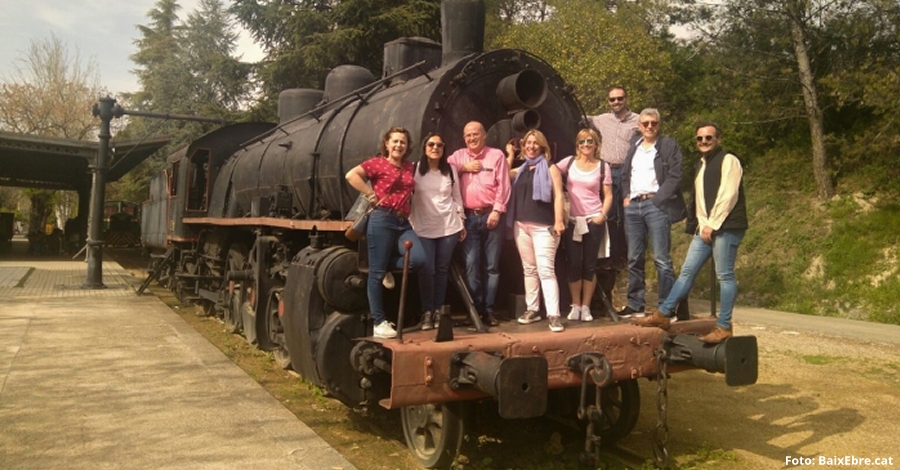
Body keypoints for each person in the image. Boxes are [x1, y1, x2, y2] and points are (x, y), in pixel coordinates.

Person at [634, 123, 748, 343]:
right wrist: (703, 224)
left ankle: (724, 326)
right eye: (700, 138)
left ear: (718, 139)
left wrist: (713, 224)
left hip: (726, 227)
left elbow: (729, 194)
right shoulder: (701, 164)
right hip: (705, 227)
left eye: (708, 137)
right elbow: (701, 200)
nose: (704, 141)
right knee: (687, 272)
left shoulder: (729, 160)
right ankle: (663, 314)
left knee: (724, 275)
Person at [345, 126, 425, 339]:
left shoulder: (409, 166)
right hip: (382, 218)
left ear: (407, 146)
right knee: (376, 273)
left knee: (418, 259)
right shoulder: (377, 163)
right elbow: (351, 175)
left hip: (403, 221)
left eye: (403, 142)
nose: (399, 145)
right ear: (387, 144)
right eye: (395, 141)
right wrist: (370, 194)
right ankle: (379, 322)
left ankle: (386, 264)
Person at [620, 108, 686, 318]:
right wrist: (626, 196)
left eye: (654, 123)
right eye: (646, 123)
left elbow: (675, 175)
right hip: (633, 206)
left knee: (661, 259)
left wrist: (659, 199)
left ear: (659, 124)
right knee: (634, 258)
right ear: (639, 126)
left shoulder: (668, 145)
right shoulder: (634, 146)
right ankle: (635, 304)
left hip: (655, 205)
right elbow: (625, 174)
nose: (650, 127)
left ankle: (666, 308)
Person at [448, 121, 511, 327]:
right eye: (468, 135)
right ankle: (474, 310)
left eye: (475, 134)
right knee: (472, 265)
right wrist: (463, 168)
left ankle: (489, 310)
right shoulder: (458, 156)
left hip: (491, 215)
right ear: (464, 138)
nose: (472, 138)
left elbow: (504, 185)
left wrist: (497, 210)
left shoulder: (497, 155)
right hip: (468, 217)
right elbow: (442, 168)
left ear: (484, 135)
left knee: (492, 266)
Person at [505, 130, 566, 332]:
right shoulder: (521, 169)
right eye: (528, 143)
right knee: (529, 269)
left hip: (543, 226)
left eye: (535, 143)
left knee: (546, 270)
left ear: (542, 146)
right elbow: (502, 174)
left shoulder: (550, 167)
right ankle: (532, 309)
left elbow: (558, 195)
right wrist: (510, 155)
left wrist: (559, 221)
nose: (531, 146)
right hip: (521, 225)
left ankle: (554, 315)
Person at [586, 87, 640, 312]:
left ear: (626, 99)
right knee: (608, 214)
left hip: (627, 171)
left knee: (626, 215)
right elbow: (581, 117)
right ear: (608, 101)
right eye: (612, 99)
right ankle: (609, 253)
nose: (616, 102)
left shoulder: (638, 120)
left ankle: (623, 254)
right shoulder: (602, 119)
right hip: (606, 169)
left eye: (619, 98)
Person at [555, 129, 613, 322]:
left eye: (590, 141)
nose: (586, 145)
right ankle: (576, 305)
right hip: (573, 221)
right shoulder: (569, 163)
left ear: (596, 144)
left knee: (589, 264)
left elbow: (608, 195)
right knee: (573, 264)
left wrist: (602, 215)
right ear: (577, 145)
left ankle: (586, 306)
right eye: (582, 142)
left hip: (593, 220)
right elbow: (552, 170)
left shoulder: (603, 166)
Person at [410, 133, 467, 330]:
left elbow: (457, 197)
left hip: (449, 226)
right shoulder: (415, 170)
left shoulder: (450, 170)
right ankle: (426, 311)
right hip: (423, 226)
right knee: (427, 270)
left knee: (442, 270)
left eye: (439, 145)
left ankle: (437, 310)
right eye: (431, 144)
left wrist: (462, 220)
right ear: (425, 148)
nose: (435, 148)